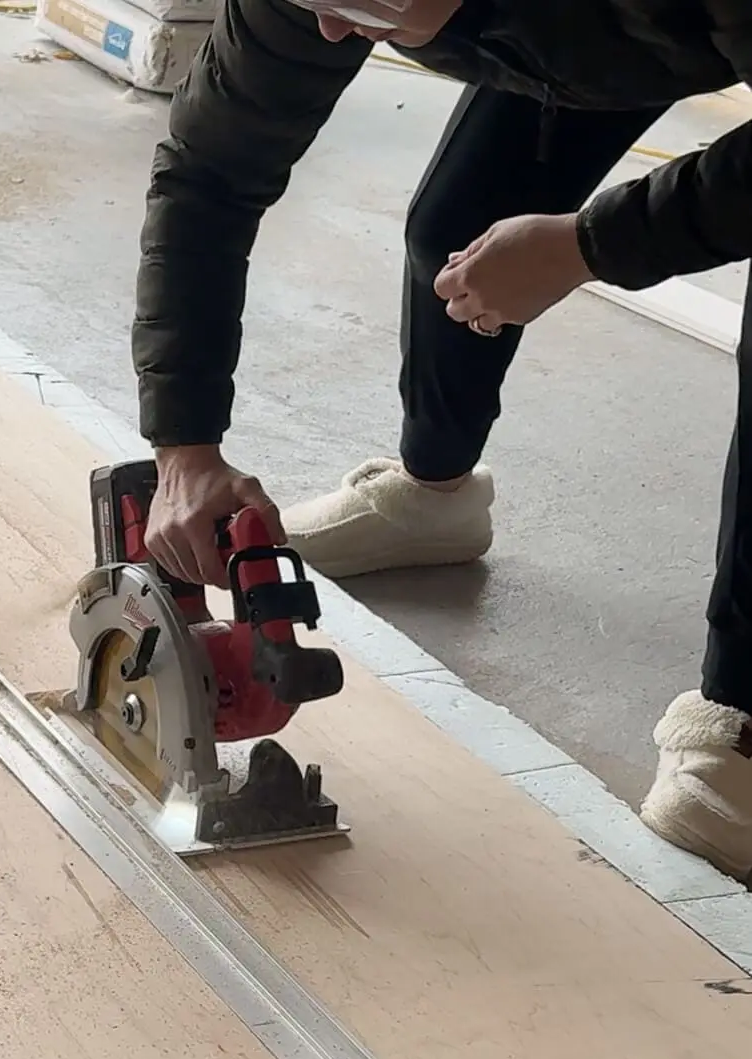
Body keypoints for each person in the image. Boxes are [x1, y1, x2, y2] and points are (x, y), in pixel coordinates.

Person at [134, 0, 752, 876]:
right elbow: (208, 171)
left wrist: (592, 244)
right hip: (594, 37)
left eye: (357, 7)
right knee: (453, 235)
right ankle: (433, 495)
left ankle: (745, 717)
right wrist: (184, 447)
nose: (335, 32)